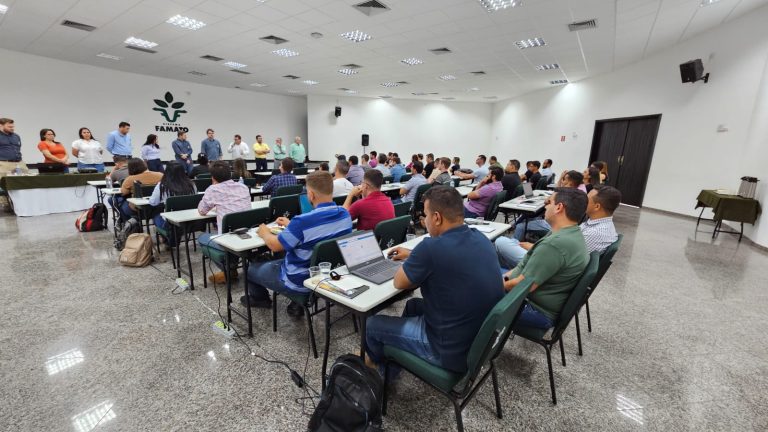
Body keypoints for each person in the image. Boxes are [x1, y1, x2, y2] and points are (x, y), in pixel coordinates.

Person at [366, 186, 504, 374]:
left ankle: (379, 371)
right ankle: (398, 358)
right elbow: (452, 256)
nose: (424, 221)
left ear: (437, 218)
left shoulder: (430, 247)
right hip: (477, 340)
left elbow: (399, 282)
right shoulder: (480, 237)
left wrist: (419, 256)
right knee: (413, 306)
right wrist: (414, 255)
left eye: (425, 215)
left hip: (448, 350)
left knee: (372, 325)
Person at [245, 171, 353, 314]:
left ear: (311, 194)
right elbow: (318, 232)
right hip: (327, 275)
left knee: (250, 269)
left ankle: (260, 299)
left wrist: (264, 232)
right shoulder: (345, 215)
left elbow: (274, 246)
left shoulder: (302, 221)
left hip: (299, 282)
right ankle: (296, 304)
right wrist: (292, 226)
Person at [502, 188, 589, 330]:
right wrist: (504, 277)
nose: (545, 206)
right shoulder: (570, 232)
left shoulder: (555, 244)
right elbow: (523, 267)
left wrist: (499, 285)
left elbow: (524, 286)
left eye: (549, 202)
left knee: (471, 291)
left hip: (534, 309)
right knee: (483, 276)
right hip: (536, 299)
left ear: (559, 207)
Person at [495, 185, 620, 269]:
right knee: (510, 244)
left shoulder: (595, 233)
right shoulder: (597, 225)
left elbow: (560, 258)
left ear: (597, 207)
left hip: (546, 266)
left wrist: (534, 248)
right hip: (550, 260)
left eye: (588, 199)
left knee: (501, 242)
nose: (585, 201)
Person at [197, 161, 251, 284]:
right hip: (247, 232)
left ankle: (228, 269)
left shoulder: (213, 189)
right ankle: (231, 267)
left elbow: (202, 211)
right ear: (230, 173)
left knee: (202, 238)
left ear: (213, 177)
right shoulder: (243, 187)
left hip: (227, 238)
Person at [148, 162, 196, 244]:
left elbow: (152, 203)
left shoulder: (162, 186)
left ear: (166, 172)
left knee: (155, 215)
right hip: (190, 221)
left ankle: (168, 239)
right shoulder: (192, 184)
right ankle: (171, 239)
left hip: (170, 224)